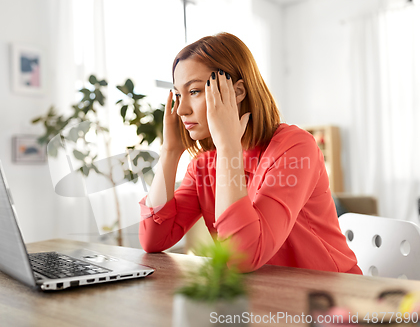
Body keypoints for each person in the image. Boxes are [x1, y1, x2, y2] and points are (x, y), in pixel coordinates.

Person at [138, 32, 361, 274]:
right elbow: (153, 239)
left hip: (329, 295)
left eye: (194, 92)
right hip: (264, 296)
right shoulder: (204, 165)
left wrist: (228, 146)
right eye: (178, 95)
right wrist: (170, 152)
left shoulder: (296, 147)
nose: (180, 110)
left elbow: (242, 256)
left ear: (238, 92)